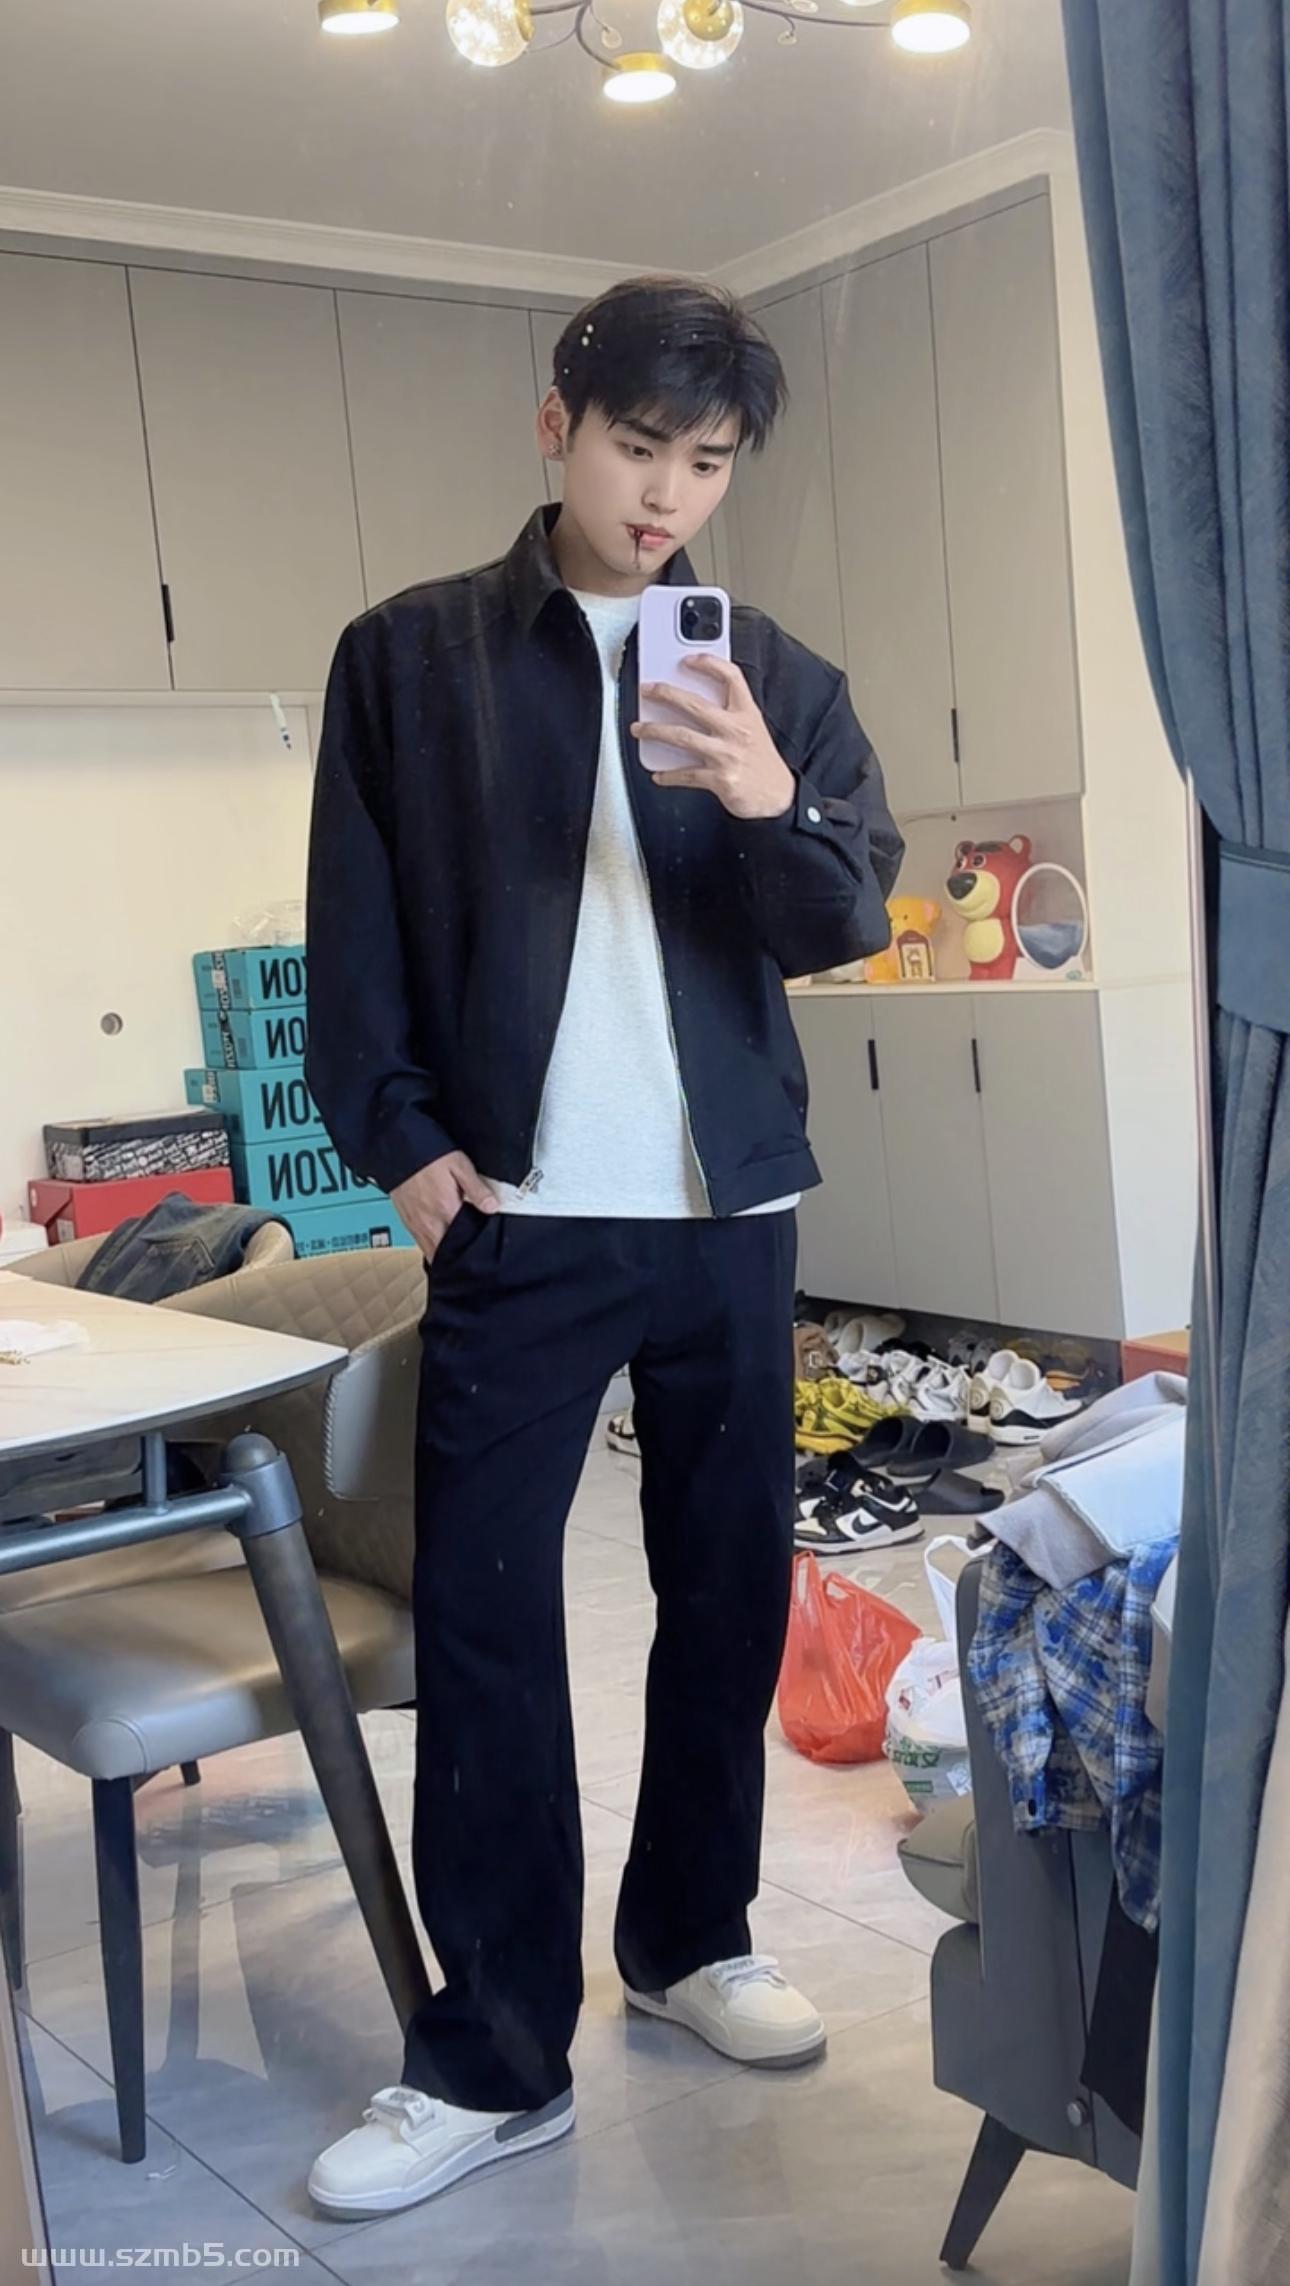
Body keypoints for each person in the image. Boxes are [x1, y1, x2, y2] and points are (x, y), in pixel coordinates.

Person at [303, 274, 903, 2220]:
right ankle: (490, 2057)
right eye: (639, 447)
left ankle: (690, 1938)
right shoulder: (408, 660)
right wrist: (401, 1145)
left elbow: (839, 922)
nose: (666, 497)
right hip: (521, 1218)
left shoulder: (775, 676)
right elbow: (350, 938)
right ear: (554, 424)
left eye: (706, 464)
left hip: (729, 1217)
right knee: (487, 1626)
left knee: (723, 1597)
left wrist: (766, 799)